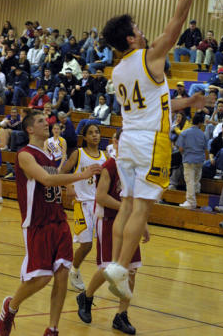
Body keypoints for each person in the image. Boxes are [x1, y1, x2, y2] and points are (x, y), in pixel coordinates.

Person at [100, 0, 205, 300]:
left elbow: (152, 103)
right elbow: (179, 15)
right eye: (137, 28)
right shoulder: (151, 56)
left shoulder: (118, 71)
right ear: (131, 38)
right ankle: (118, 268)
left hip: (127, 140)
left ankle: (113, 264)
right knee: (141, 208)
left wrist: (186, 101)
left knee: (127, 205)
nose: (142, 31)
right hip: (149, 142)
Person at [0, 110, 102, 336]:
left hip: (59, 220)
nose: (47, 123)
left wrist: (69, 186)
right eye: (41, 121)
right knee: (42, 277)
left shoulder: (50, 157)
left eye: (47, 121)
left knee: (63, 273)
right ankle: (11, 306)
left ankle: (52, 329)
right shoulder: (25, 154)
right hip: (38, 223)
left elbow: (54, 182)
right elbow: (45, 179)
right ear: (29, 129)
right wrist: (79, 177)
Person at [77, 129, 146, 334]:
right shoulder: (109, 166)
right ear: (116, 142)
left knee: (131, 270)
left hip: (129, 222)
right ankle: (86, 296)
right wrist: (125, 208)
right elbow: (102, 197)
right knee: (109, 268)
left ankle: (121, 315)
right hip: (108, 220)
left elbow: (138, 201)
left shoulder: (135, 168)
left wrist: (143, 224)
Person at [61, 124, 107, 291]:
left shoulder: (105, 156)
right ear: (85, 137)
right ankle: (74, 270)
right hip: (82, 203)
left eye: (97, 132)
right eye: (90, 133)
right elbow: (63, 171)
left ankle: (106, 274)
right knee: (86, 244)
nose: (94, 135)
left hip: (99, 204)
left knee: (104, 243)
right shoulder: (78, 153)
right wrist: (69, 184)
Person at [177, 113, 207, 209]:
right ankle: (196, 194)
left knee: (189, 181)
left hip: (189, 159)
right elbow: (206, 148)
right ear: (200, 123)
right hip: (200, 159)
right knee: (196, 180)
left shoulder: (184, 133)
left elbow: (180, 148)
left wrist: (184, 155)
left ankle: (191, 202)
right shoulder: (203, 134)